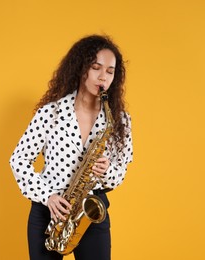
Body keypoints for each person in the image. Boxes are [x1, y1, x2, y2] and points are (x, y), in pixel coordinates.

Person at [9, 35, 133, 260]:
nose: (103, 77)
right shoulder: (51, 112)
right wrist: (48, 196)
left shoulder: (118, 120)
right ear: (81, 68)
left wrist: (107, 171)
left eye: (110, 71)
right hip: (49, 211)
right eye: (96, 68)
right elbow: (18, 159)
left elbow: (120, 171)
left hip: (90, 212)